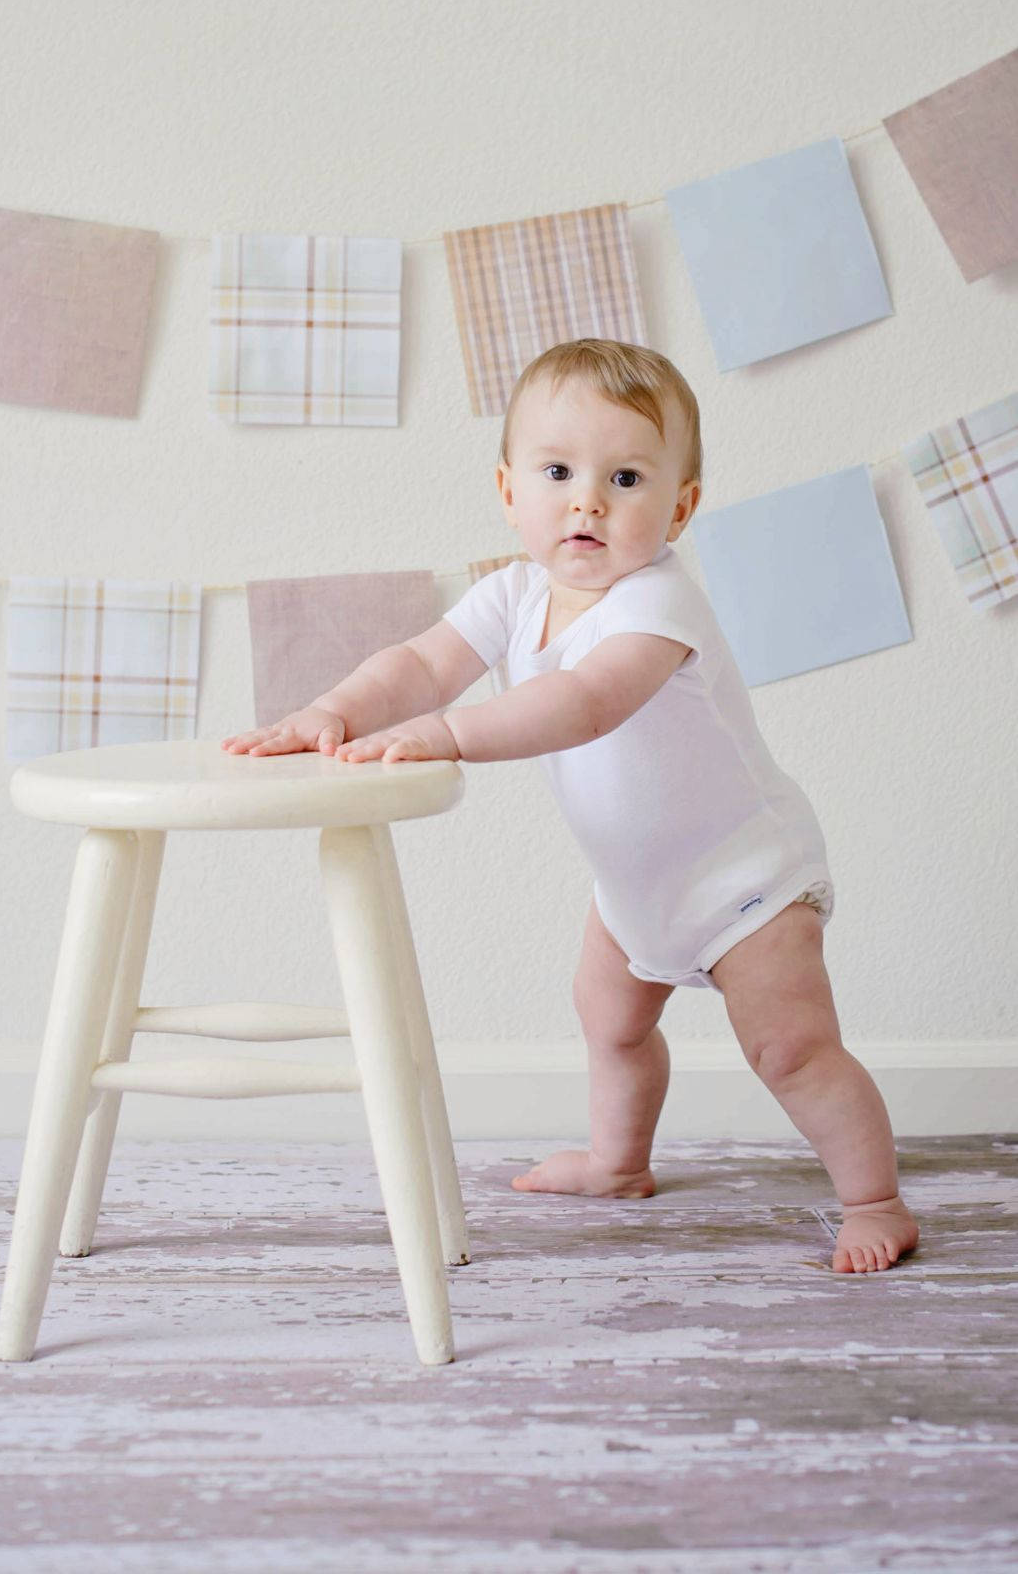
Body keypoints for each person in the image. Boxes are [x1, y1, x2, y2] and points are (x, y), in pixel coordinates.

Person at [222, 338, 919, 1276]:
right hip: (634, 885)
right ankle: (618, 1162)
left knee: (792, 1050)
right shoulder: (510, 594)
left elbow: (586, 703)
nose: (588, 500)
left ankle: (875, 1198)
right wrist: (334, 711)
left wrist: (451, 733)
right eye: (559, 471)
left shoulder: (657, 605)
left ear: (681, 507)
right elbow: (422, 664)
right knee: (612, 1023)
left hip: (748, 880)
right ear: (510, 491)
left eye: (626, 477)